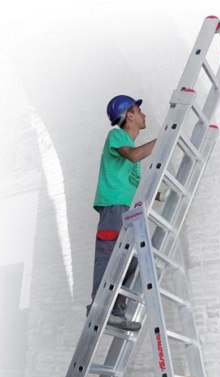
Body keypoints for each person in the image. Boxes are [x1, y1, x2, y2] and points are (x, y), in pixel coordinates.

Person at [86, 95, 156, 331]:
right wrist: (164, 139)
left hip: (126, 208)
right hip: (113, 205)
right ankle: (98, 308)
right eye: (139, 110)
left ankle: (116, 311)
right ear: (129, 115)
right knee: (109, 255)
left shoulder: (132, 151)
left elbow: (134, 183)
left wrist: (158, 194)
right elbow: (133, 155)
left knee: (131, 260)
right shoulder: (116, 136)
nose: (144, 115)